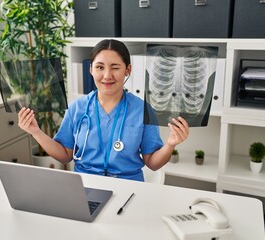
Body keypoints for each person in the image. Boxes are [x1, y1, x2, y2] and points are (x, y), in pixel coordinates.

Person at [18, 39, 189, 181]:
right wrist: (36, 132)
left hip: (128, 186)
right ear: (91, 69)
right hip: (85, 184)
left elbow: (152, 162)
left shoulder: (143, 109)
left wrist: (170, 144)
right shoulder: (77, 108)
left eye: (115, 67)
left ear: (127, 70)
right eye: (100, 67)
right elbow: (65, 155)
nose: (107, 75)